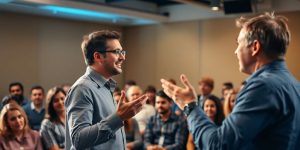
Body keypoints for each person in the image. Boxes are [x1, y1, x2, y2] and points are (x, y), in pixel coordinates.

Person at [161, 12, 300, 150]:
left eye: (238, 43)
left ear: (255, 47)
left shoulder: (262, 87)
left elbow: (217, 145)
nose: (236, 51)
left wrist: (190, 106)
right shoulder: (295, 85)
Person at [65, 30, 148, 150]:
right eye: (117, 52)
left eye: (122, 52)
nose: (123, 57)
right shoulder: (82, 88)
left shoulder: (106, 87)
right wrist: (119, 118)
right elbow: (79, 139)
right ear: (98, 56)